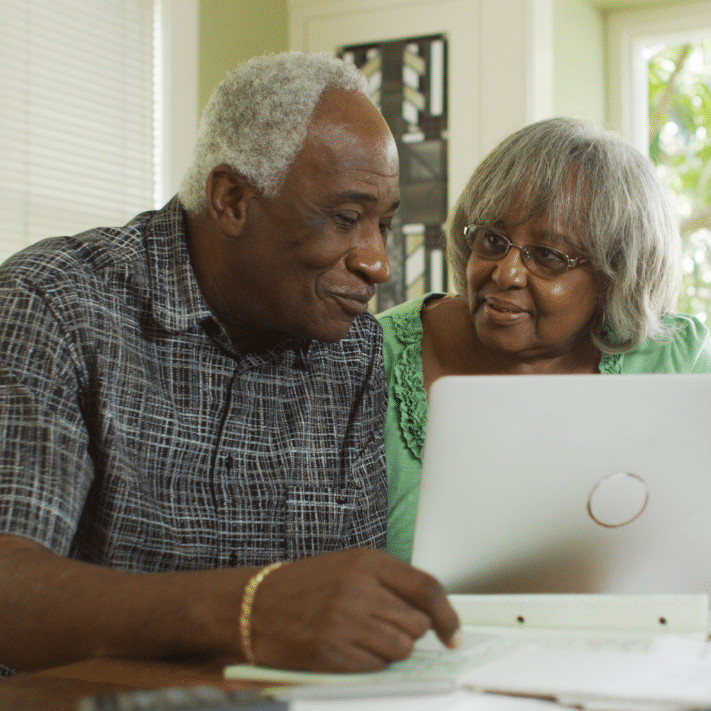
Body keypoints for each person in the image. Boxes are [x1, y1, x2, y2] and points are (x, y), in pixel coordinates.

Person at [0, 51, 460, 677]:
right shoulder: (53, 306)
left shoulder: (352, 349)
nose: (377, 263)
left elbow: (336, 613)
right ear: (232, 199)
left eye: (383, 223)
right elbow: (10, 587)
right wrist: (247, 611)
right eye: (347, 219)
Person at [378, 117, 711, 564]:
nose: (506, 273)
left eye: (548, 255)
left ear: (614, 277)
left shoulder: (676, 359)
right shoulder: (372, 357)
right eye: (494, 240)